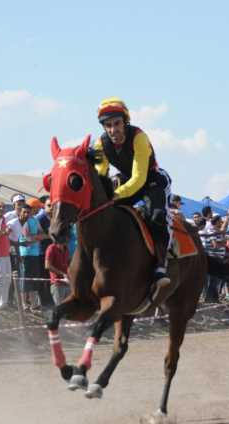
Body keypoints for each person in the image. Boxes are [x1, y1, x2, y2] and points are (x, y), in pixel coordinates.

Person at [92, 97, 173, 290]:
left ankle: (161, 265)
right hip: (127, 180)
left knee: (157, 216)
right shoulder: (99, 144)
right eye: (108, 126)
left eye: (117, 124)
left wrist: (116, 194)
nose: (113, 130)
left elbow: (139, 178)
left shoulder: (139, 137)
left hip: (152, 180)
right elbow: (100, 174)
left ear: (125, 121)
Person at [45, 241, 70, 306]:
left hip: (67, 283)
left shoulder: (66, 249)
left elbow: (67, 263)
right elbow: (47, 265)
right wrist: (63, 274)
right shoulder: (51, 248)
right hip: (57, 284)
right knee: (60, 308)